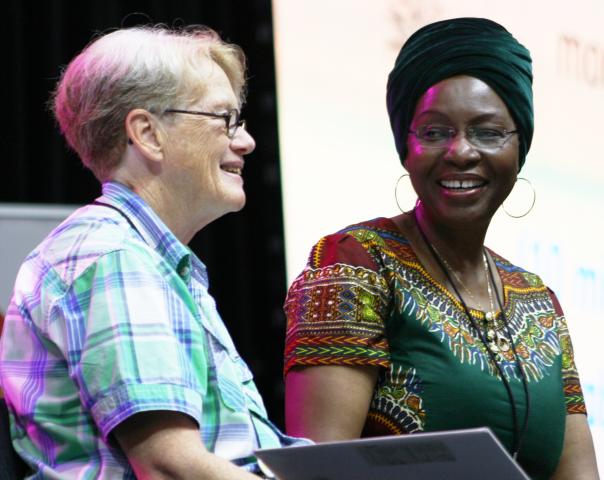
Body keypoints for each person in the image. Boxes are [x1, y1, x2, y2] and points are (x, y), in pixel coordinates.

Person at [283, 17, 599, 480]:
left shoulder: (539, 302)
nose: (461, 152)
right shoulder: (355, 261)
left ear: (520, 147)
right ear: (405, 148)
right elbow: (319, 470)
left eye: (488, 132)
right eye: (434, 132)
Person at [0, 25, 303, 479]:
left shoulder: (146, 259)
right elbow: (168, 467)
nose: (245, 141)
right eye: (225, 120)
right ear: (148, 133)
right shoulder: (114, 258)